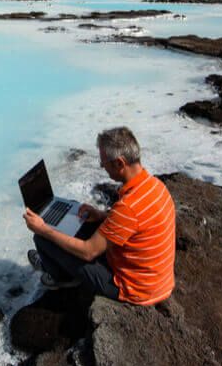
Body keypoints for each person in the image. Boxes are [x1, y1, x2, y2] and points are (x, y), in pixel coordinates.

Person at [23, 127, 176, 305]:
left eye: (104, 162)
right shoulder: (154, 185)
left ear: (120, 163)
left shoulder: (128, 208)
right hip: (158, 279)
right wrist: (102, 216)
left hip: (135, 289)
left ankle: (59, 278)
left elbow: (88, 252)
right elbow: (138, 223)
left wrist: (44, 229)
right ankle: (56, 263)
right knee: (78, 219)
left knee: (43, 238)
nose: (101, 166)